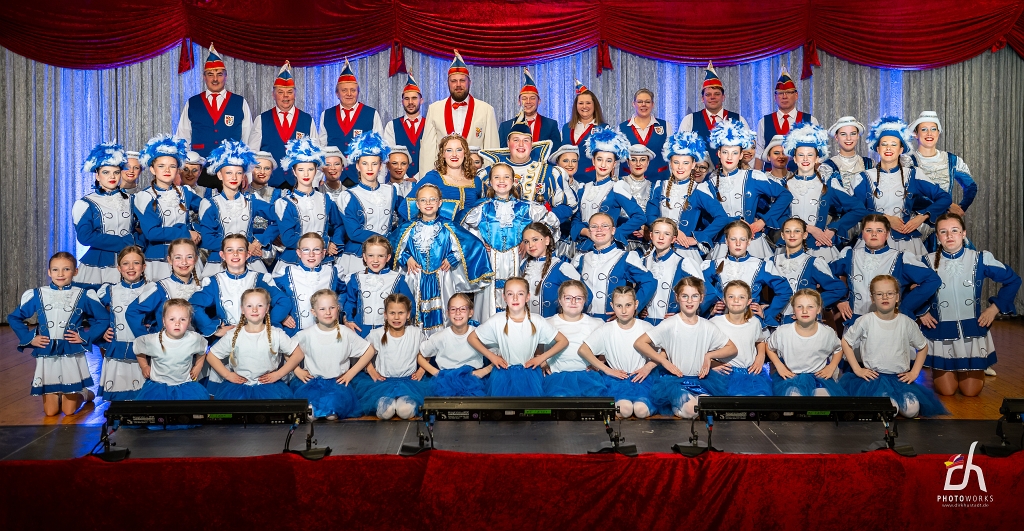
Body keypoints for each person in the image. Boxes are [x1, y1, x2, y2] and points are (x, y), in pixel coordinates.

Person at [920, 213, 1020, 395]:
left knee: (971, 392)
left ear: (963, 233)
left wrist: (994, 308)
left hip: (972, 331)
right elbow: (904, 287)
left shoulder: (980, 258)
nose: (949, 236)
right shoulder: (926, 261)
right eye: (943, 232)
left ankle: (967, 366)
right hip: (941, 332)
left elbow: (1013, 280)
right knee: (947, 391)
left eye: (954, 230)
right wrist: (922, 312)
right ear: (938, 236)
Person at [7, 252, 108, 416]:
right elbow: (14, 317)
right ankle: (63, 391)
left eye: (66, 269)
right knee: (51, 412)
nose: (60, 274)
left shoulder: (83, 294)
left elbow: (103, 318)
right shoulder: (37, 294)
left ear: (75, 271)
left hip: (71, 350)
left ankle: (84, 394)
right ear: (49, 272)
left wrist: (85, 337)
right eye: (55, 269)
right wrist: (30, 338)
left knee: (68, 412)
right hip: (47, 351)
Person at [392, 184, 493, 335]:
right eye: (423, 200)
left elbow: (471, 244)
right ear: (417, 204)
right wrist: (406, 258)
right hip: (415, 277)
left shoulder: (448, 226)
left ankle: (443, 341)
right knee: (413, 310)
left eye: (432, 199)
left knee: (444, 311)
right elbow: (391, 246)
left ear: (440, 202)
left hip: (442, 277)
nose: (428, 203)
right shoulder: (407, 227)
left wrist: (453, 257)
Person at [840, 275, 947, 417]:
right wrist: (857, 369)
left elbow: (922, 347)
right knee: (890, 410)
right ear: (873, 298)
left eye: (890, 293)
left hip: (899, 379)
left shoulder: (906, 322)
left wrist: (914, 373)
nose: (885, 297)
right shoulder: (865, 321)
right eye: (879, 294)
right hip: (874, 379)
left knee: (912, 410)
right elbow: (846, 341)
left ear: (897, 297)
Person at [463, 162, 560, 316]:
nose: (502, 180)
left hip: (518, 258)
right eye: (497, 177)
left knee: (517, 295)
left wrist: (527, 241)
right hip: (490, 260)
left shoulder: (526, 207)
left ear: (514, 181)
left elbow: (551, 225)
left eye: (506, 177)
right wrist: (480, 244)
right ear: (490, 182)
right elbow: (465, 231)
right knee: (489, 304)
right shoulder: (481, 208)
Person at [637, 277, 738, 418]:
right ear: (677, 298)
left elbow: (732, 348)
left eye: (694, 296)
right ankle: (677, 405)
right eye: (685, 296)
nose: (690, 301)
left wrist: (709, 356)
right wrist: (664, 362)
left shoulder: (707, 326)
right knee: (692, 411)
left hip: (701, 380)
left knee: (709, 408)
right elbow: (640, 343)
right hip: (676, 381)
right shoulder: (670, 324)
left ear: (701, 298)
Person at [850, 117, 952, 255]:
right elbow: (853, 209)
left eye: (893, 144)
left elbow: (945, 198)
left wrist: (922, 216)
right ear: (878, 149)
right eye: (884, 144)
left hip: (906, 242)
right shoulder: (863, 177)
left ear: (901, 149)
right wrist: (886, 218)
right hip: (871, 241)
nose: (888, 148)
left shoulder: (913, 174)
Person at [780, 123, 873, 261]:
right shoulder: (784, 185)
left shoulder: (828, 184)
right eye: (801, 155)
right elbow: (777, 216)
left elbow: (859, 209)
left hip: (820, 246)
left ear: (817, 159)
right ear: (794, 159)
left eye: (810, 155)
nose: (805, 159)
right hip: (790, 245)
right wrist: (809, 228)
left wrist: (833, 228)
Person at [831, 215, 940, 328]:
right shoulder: (849, 255)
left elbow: (932, 280)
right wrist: (840, 300)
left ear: (887, 234)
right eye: (869, 230)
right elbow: (827, 274)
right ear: (862, 233)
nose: (874, 234)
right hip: (856, 321)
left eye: (879, 230)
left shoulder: (900, 258)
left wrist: (905, 307)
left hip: (890, 322)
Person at [705, 120, 792, 260]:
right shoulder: (710, 183)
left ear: (740, 155)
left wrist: (763, 221)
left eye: (734, 153)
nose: (729, 157)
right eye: (725, 152)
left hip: (753, 242)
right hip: (722, 243)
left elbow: (785, 195)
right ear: (719, 154)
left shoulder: (753, 176)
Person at [468, 277, 569, 397]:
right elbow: (471, 338)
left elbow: (563, 341)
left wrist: (541, 359)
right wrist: (492, 357)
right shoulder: (497, 320)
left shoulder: (537, 320)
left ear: (527, 297)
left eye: (520, 294)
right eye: (510, 294)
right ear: (504, 297)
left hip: (529, 375)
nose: (515, 298)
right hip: (503, 375)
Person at [176, 44, 253, 188]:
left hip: (231, 170)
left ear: (226, 76)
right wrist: (180, 170)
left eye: (219, 74)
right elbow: (183, 138)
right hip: (199, 171)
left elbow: (248, 140)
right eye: (210, 74)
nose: (215, 79)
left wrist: (246, 172)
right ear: (204, 77)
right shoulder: (193, 103)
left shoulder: (239, 102)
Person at [189, 234, 293, 340]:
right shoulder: (214, 282)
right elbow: (193, 305)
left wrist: (270, 322)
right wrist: (214, 329)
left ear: (248, 254)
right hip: (228, 337)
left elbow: (283, 301)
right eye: (230, 250)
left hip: (257, 336)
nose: (235, 254)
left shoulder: (260, 279)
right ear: (222, 255)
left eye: (240, 250)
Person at [647, 131, 730, 263]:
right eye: (676, 162)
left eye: (685, 163)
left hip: (685, 252)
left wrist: (697, 238)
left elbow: (722, 217)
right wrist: (672, 231)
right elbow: (651, 216)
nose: (680, 167)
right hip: (659, 249)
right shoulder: (659, 186)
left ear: (693, 165)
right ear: (670, 163)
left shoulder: (699, 189)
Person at [207, 287, 303, 399]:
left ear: (267, 308)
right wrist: (227, 375)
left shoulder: (276, 334)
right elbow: (211, 356)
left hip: (269, 389)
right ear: (242, 309)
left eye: (260, 305)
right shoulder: (233, 335)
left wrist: (279, 374)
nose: (254, 310)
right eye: (249, 306)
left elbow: (298, 354)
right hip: (238, 390)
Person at [292, 288, 374, 420]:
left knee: (332, 414)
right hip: (312, 384)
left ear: (338, 308)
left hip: (337, 384)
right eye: (322, 309)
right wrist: (297, 370)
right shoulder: (306, 334)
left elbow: (369, 350)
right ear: (314, 312)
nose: (328, 312)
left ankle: (329, 410)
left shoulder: (345, 332)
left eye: (332, 308)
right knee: (310, 414)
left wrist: (351, 373)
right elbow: (287, 350)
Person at [198, 139, 277, 276]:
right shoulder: (209, 204)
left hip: (250, 261)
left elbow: (281, 217)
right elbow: (207, 239)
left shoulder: (252, 200)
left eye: (239, 173)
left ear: (243, 176)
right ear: (219, 175)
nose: (234, 177)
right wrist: (243, 246)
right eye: (229, 173)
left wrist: (260, 241)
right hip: (219, 263)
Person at [577, 285, 658, 418]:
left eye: (628, 305)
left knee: (641, 411)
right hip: (616, 380)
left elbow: (663, 351)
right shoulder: (607, 329)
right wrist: (607, 370)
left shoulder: (645, 327)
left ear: (636, 304)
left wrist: (648, 367)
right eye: (619, 306)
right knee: (625, 410)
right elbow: (583, 350)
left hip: (641, 379)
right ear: (612, 306)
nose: (624, 310)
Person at [479, 119, 576, 224]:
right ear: (508, 143)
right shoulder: (487, 173)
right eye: (516, 140)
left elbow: (568, 206)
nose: (521, 144)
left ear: (531, 144)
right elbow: (474, 205)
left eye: (526, 140)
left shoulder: (549, 172)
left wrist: (544, 219)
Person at [133, 135, 203, 281]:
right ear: (152, 169)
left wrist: (196, 230)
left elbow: (210, 212)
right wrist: (186, 233)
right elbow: (152, 233)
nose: (167, 170)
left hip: (186, 257)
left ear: (178, 169)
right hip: (159, 261)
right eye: (161, 166)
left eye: (172, 166)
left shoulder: (186, 192)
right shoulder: (144, 196)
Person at [419, 50, 499, 172]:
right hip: (444, 175)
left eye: (462, 80)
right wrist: (427, 179)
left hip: (475, 175)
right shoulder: (434, 109)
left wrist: (489, 178)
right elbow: (428, 150)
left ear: (469, 82)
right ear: (447, 83)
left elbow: (491, 149)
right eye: (453, 81)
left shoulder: (486, 110)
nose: (458, 84)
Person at [273, 138, 345, 274]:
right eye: (301, 170)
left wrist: (335, 242)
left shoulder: (325, 199)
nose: (306, 174)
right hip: (294, 261)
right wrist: (324, 243)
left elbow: (339, 225)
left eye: (310, 169)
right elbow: (288, 239)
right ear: (294, 172)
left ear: (316, 170)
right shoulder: (284, 203)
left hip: (324, 260)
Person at [74, 141, 139, 288]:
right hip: (97, 265)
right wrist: (125, 242)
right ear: (97, 175)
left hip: (128, 262)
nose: (112, 176)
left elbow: (143, 230)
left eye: (116, 172)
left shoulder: (133, 200)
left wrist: (136, 242)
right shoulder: (85, 203)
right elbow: (85, 237)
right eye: (106, 172)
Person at [336, 132, 402, 275]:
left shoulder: (392, 191)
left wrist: (395, 239)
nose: (370, 168)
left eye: (374, 163)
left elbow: (406, 217)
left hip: (386, 255)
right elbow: (354, 233)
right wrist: (385, 240)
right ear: (358, 166)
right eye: (365, 163)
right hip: (358, 257)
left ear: (381, 166)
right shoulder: (348, 196)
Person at [703, 221, 792, 327]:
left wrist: (767, 313)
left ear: (749, 241)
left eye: (742, 239)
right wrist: (711, 308)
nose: (738, 243)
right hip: (721, 322)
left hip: (751, 321)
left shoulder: (760, 265)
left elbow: (785, 291)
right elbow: (699, 290)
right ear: (726, 241)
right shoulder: (713, 265)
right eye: (733, 239)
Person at [571, 126, 645, 253]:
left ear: (614, 164)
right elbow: (575, 222)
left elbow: (639, 216)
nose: (603, 165)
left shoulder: (617, 187)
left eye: (609, 161)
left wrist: (615, 233)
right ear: (593, 161)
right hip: (584, 247)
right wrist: (587, 232)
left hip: (609, 248)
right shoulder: (583, 188)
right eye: (599, 159)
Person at [354, 294, 429, 419]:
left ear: (408, 314)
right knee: (386, 413)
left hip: (409, 383)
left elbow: (428, 351)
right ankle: (389, 404)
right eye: (392, 313)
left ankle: (401, 404)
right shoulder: (377, 334)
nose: (396, 317)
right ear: (385, 315)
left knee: (405, 412)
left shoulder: (415, 333)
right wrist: (371, 369)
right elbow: (361, 352)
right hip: (383, 383)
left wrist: (421, 370)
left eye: (401, 313)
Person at [93, 246, 151, 401]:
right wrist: (103, 330)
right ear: (119, 268)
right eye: (126, 263)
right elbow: (93, 313)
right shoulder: (109, 291)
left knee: (143, 397)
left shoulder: (152, 290)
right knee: (119, 396)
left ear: (143, 267)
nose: (131, 267)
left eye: (136, 263)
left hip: (143, 351)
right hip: (117, 351)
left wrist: (151, 330)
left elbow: (160, 318)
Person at [764, 289, 847, 397]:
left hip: (818, 378)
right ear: (793, 309)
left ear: (818, 309)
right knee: (794, 397)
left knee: (823, 397)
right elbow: (769, 347)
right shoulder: (783, 332)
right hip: (792, 377)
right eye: (799, 307)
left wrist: (831, 367)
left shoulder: (827, 332)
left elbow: (838, 349)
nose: (804, 311)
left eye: (810, 307)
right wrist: (779, 366)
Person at [574, 212, 656, 319]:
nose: (599, 229)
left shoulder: (625, 257)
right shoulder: (581, 259)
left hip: (612, 322)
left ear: (613, 230)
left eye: (605, 226)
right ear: (589, 231)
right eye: (594, 226)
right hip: (585, 320)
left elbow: (650, 282)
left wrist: (631, 309)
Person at [248, 61, 317, 189]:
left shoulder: (307, 120)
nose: (285, 96)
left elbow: (315, 154)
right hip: (268, 186)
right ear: (273, 95)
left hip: (299, 185)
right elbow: (252, 154)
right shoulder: (261, 119)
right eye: (280, 92)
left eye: (289, 92)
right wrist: (251, 181)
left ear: (295, 94)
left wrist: (315, 182)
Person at [317, 58, 384, 187]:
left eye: (353, 90)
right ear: (337, 93)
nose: (349, 94)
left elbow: (379, 149)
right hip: (334, 179)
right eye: (344, 90)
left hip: (363, 179)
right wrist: (319, 176)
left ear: (358, 92)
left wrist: (379, 180)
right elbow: (321, 148)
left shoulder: (371, 114)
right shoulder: (326, 115)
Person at [132, 299, 210, 400]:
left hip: (185, 387)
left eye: (182, 319)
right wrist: (144, 366)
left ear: (189, 321)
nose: (177, 323)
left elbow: (203, 351)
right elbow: (138, 348)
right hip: (158, 388)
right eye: (172, 319)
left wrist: (198, 366)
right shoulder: (153, 340)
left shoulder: (194, 339)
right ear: (164, 321)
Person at [274, 232, 349, 338]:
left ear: (323, 253)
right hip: (294, 331)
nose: (311, 254)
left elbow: (344, 292)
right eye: (306, 250)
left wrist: (337, 308)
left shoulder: (333, 272)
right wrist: (282, 316)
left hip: (326, 330)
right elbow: (273, 296)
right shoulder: (286, 272)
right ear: (298, 253)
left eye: (316, 250)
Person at [772, 218, 847, 323]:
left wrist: (811, 306)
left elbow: (838, 288)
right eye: (788, 231)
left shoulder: (813, 263)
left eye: (797, 231)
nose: (792, 235)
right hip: (778, 321)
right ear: (782, 235)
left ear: (805, 235)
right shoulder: (772, 261)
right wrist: (767, 307)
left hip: (806, 321)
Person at [643, 217, 716, 324]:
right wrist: (639, 308)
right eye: (657, 232)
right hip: (646, 323)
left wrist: (684, 314)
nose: (661, 237)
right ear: (651, 235)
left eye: (667, 234)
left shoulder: (684, 263)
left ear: (673, 239)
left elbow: (708, 293)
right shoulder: (643, 261)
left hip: (673, 325)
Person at [706, 280, 772, 396]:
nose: (736, 300)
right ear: (724, 300)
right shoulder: (714, 323)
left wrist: (760, 356)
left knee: (760, 397)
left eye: (741, 297)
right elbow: (702, 349)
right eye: (731, 297)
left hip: (751, 372)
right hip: (725, 374)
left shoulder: (754, 322)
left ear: (749, 301)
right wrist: (712, 363)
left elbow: (760, 340)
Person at [341, 235, 415, 339]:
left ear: (388, 257)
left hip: (388, 332)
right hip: (360, 331)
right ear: (364, 257)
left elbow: (410, 305)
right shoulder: (355, 278)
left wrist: (400, 325)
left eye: (380, 256)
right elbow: (350, 302)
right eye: (371, 255)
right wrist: (349, 320)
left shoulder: (397, 279)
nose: (375, 260)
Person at [128, 238, 206, 336]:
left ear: (196, 259)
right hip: (166, 343)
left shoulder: (203, 286)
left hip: (196, 343)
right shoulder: (160, 287)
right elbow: (132, 311)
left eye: (189, 257)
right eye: (178, 257)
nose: (184, 262)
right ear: (169, 260)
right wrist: (147, 339)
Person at [541, 279, 606, 397]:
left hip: (587, 377)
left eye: (578, 298)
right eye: (568, 298)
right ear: (559, 300)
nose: (573, 302)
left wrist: (599, 361)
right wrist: (543, 362)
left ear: (584, 300)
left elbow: (606, 347)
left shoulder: (596, 324)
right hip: (557, 378)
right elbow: (536, 347)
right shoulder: (548, 323)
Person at [418, 293, 490, 397]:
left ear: (471, 312)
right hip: (445, 381)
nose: (458, 313)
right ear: (447, 313)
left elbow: (500, 354)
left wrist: (484, 371)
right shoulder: (440, 337)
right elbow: (420, 355)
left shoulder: (479, 335)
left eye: (463, 309)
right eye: (453, 309)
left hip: (473, 380)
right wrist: (436, 373)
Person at [907, 111, 977, 217]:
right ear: (916, 134)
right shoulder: (908, 162)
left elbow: (971, 186)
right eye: (924, 129)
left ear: (938, 133)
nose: (929, 133)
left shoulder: (952, 160)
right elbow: (907, 195)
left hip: (944, 221)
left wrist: (961, 208)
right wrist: (947, 205)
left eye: (933, 129)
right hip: (916, 222)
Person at [680, 61, 748, 166]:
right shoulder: (690, 120)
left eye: (717, 94)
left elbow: (748, 150)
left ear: (723, 97)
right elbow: (681, 151)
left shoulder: (738, 119)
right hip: (699, 174)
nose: (712, 97)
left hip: (731, 174)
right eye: (708, 95)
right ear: (702, 98)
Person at [406, 134, 485, 222]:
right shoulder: (433, 178)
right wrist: (426, 226)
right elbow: (405, 207)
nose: (454, 154)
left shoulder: (476, 180)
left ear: (465, 153)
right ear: (443, 154)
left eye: (459, 150)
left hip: (470, 230)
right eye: (449, 150)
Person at [521, 222, 587, 318]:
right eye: (526, 241)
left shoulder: (562, 267)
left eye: (535, 239)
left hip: (553, 325)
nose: (530, 245)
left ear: (547, 240)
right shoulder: (524, 265)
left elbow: (586, 295)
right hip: (527, 323)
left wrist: (569, 318)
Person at [755, 66, 818, 160]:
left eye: (788, 92)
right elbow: (759, 154)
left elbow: (817, 154)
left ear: (796, 95)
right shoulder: (764, 122)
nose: (784, 96)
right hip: (770, 170)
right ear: (775, 97)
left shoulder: (810, 121)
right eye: (780, 93)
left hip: (801, 169)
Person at [498, 68, 561, 148]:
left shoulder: (551, 125)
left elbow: (555, 152)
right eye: (524, 98)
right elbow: (502, 153)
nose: (528, 101)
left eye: (532, 98)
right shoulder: (505, 127)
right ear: (519, 102)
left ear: (539, 101)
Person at [619, 88, 670, 180]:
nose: (643, 104)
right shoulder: (621, 128)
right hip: (628, 182)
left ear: (653, 104)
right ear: (633, 104)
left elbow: (672, 155)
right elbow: (617, 158)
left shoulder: (665, 126)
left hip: (659, 180)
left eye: (647, 102)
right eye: (640, 102)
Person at [561, 79, 606, 184]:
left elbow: (609, 158)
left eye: (588, 103)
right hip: (567, 181)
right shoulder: (565, 128)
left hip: (593, 181)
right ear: (576, 106)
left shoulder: (604, 129)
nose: (584, 106)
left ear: (594, 105)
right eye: (581, 103)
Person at [382, 73, 426, 180]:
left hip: (424, 180)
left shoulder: (430, 125)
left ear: (421, 100)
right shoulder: (391, 126)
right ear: (402, 102)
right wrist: (404, 177)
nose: (410, 102)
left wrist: (418, 177)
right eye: (406, 99)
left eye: (414, 98)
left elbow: (434, 155)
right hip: (397, 181)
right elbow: (389, 155)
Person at [822, 116, 874, 193]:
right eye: (843, 134)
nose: (848, 138)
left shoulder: (869, 164)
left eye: (853, 134)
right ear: (836, 137)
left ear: (858, 136)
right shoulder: (827, 167)